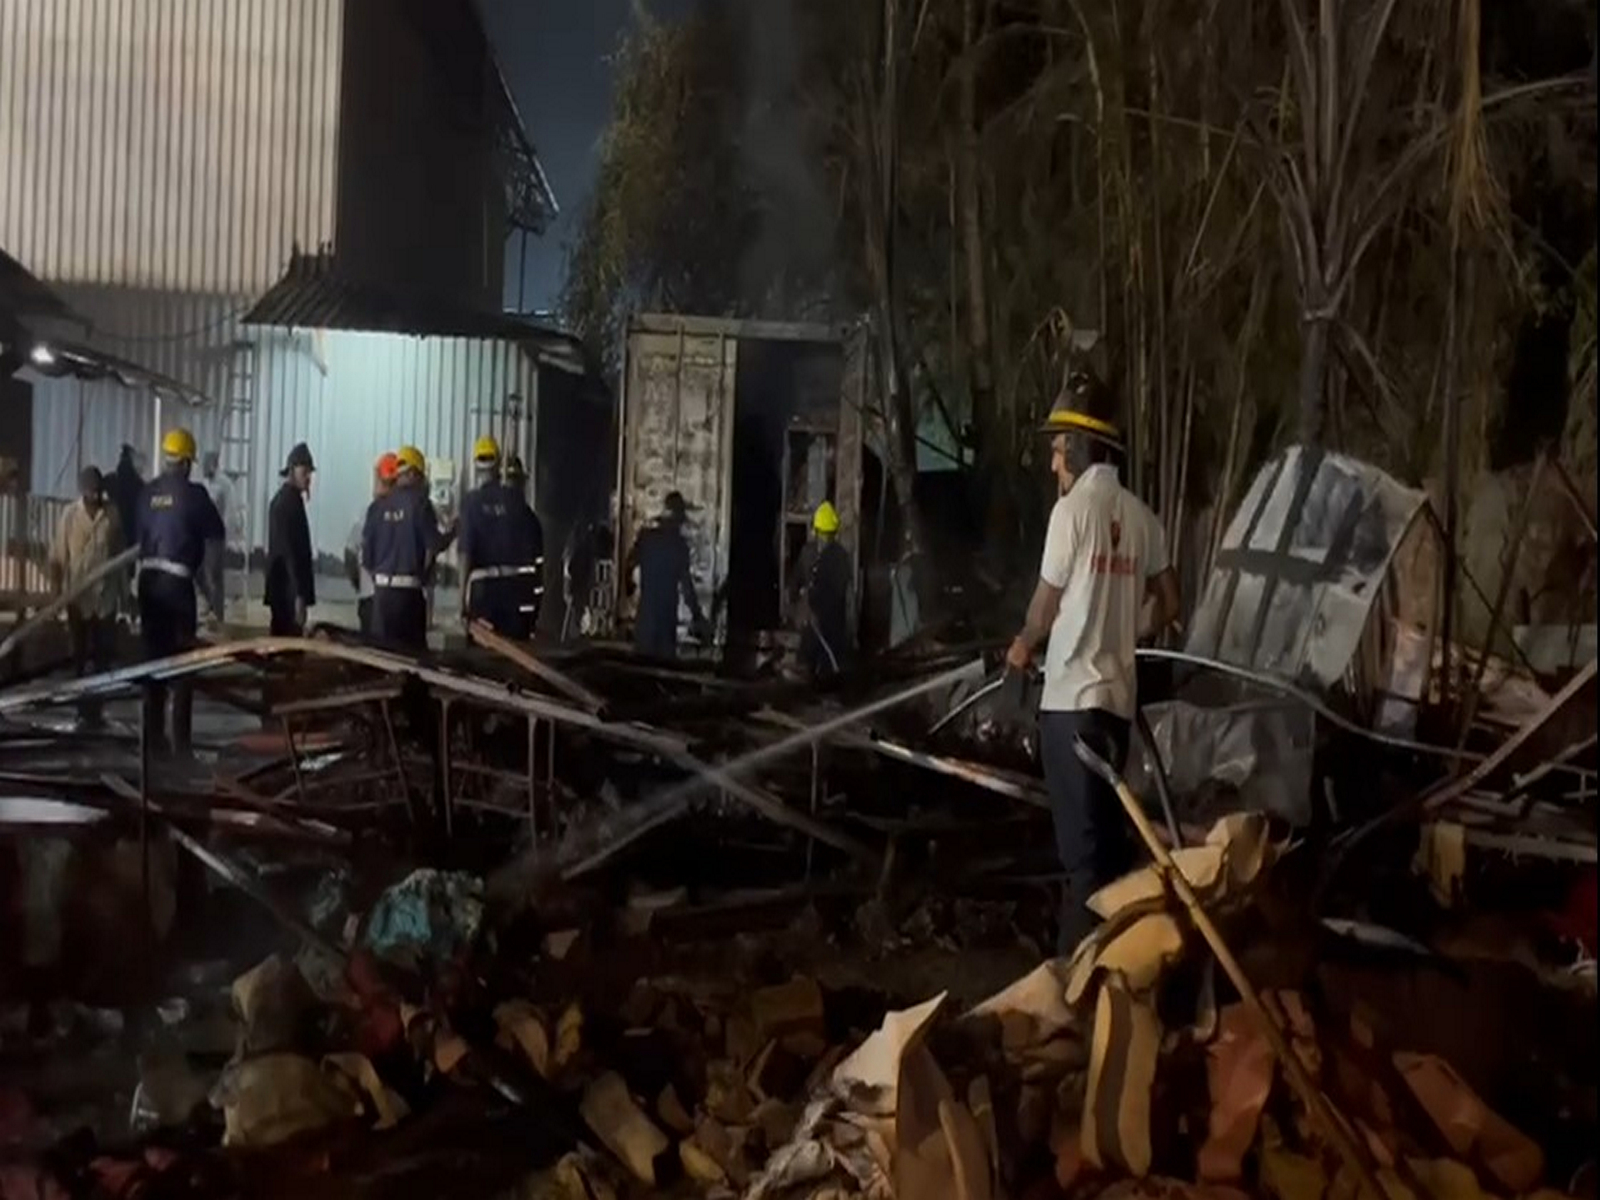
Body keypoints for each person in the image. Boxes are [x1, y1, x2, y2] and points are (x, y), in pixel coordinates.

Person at [1002, 370, 1180, 955]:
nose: (1054, 465)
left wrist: (1023, 646)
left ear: (1078, 448)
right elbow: (1172, 602)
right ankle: (1120, 972)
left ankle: (1072, 990)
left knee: (1081, 866)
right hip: (1115, 713)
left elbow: (1045, 606)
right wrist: (1126, 627)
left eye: (1057, 451)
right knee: (1105, 852)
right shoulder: (1140, 516)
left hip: (1070, 708)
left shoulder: (1071, 514)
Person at [136, 427, 224, 755]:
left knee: (151, 662)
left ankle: (151, 739)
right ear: (187, 463)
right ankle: (181, 744)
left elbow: (139, 541)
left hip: (147, 583)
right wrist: (212, 591)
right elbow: (215, 540)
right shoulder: (196, 495)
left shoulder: (146, 494)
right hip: (176, 586)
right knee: (183, 663)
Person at [50, 466, 123, 727]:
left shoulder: (112, 515)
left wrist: (125, 597)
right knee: (80, 656)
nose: (94, 494)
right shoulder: (70, 516)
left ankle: (97, 710)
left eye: (97, 489)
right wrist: (57, 596)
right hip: (78, 598)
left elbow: (119, 558)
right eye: (89, 489)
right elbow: (58, 558)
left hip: (105, 599)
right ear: (82, 489)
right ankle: (81, 710)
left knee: (102, 657)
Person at [363, 444, 444, 652]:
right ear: (414, 473)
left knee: (382, 662)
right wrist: (454, 531)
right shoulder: (421, 504)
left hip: (380, 599)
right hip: (408, 598)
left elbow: (367, 560)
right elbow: (435, 545)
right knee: (414, 665)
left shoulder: (376, 508)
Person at [460, 443, 545, 638]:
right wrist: (533, 611)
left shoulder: (471, 504)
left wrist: (461, 603)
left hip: (483, 597)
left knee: (480, 660)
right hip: (516, 598)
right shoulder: (526, 514)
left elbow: (465, 553)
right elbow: (538, 568)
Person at [625, 491, 709, 660]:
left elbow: (629, 564)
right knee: (663, 675)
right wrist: (699, 618)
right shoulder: (679, 546)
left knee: (641, 674)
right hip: (665, 622)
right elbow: (687, 590)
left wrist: (629, 586)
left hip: (645, 623)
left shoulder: (646, 538)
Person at [793, 500, 853, 681]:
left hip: (831, 626)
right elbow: (796, 581)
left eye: (829, 535)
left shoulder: (840, 558)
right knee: (805, 664)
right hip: (811, 626)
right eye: (823, 535)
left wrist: (820, 608)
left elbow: (839, 592)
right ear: (816, 532)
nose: (825, 540)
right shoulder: (808, 553)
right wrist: (798, 600)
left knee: (829, 669)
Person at [265, 443, 316, 636]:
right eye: (305, 471)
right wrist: (298, 596)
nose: (309, 477)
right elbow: (289, 554)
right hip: (287, 595)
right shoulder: (287, 504)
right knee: (288, 653)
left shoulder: (290, 500)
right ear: (292, 470)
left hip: (285, 593)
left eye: (310, 472)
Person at [347, 453, 399, 636]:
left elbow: (350, 552)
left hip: (371, 596)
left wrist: (359, 584)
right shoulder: (406, 514)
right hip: (394, 595)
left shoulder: (368, 513)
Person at [198, 450, 231, 624]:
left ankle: (218, 613)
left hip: (216, 536)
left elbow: (229, 511)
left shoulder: (223, 485)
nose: (204, 467)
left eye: (207, 464)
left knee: (214, 575)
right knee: (203, 573)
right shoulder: (204, 484)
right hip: (203, 535)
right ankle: (210, 607)